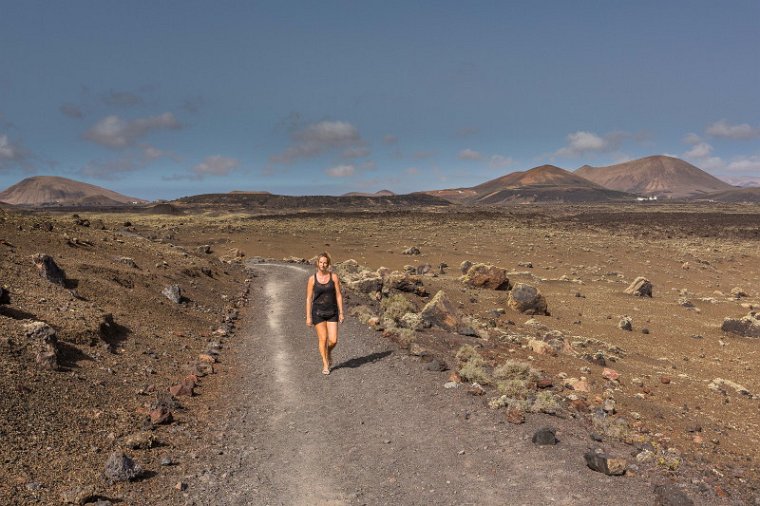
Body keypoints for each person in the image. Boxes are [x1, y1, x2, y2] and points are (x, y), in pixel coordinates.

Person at [305, 252, 344, 375]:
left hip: (332, 312)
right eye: (321, 262)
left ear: (328, 264)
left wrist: (341, 312)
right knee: (323, 338)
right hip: (318, 312)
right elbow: (308, 299)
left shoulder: (334, 277)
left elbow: (338, 295)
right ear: (317, 263)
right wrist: (308, 317)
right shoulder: (312, 279)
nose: (323, 265)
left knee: (333, 340)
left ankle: (328, 351)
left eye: (325, 263)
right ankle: (325, 363)